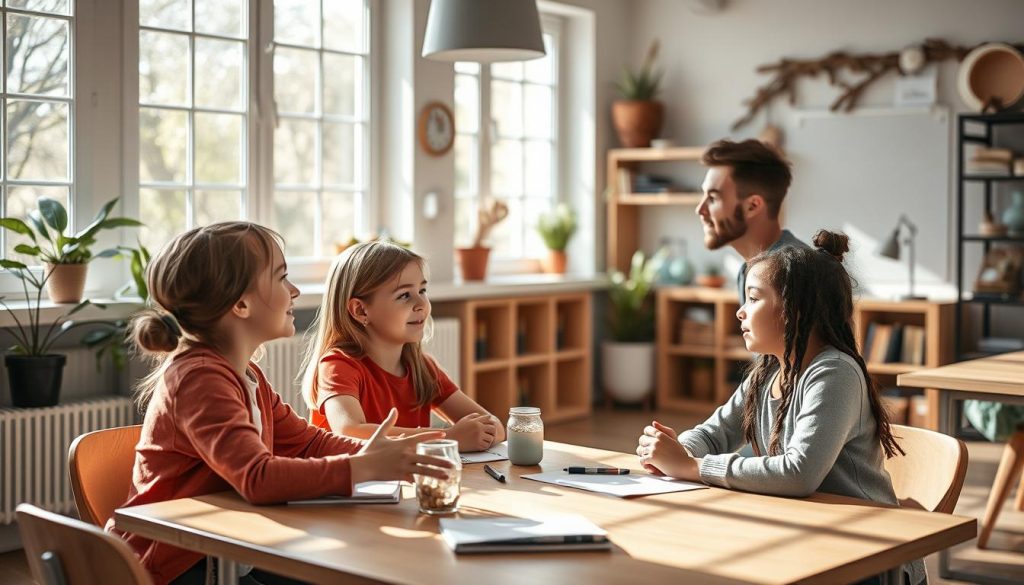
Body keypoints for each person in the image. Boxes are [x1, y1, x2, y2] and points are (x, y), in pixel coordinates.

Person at [109, 222, 453, 585]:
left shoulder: (245, 373)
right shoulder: (200, 378)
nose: (295, 290)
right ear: (240, 304)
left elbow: (307, 442)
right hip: (177, 566)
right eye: (282, 278)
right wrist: (365, 466)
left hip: (227, 551)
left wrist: (383, 453)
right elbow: (258, 478)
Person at [636, 230, 925, 584]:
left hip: (868, 556)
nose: (740, 312)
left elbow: (798, 474)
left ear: (794, 310)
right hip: (810, 534)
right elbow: (714, 433)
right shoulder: (770, 371)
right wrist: (673, 452)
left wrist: (692, 466)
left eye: (754, 299)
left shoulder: (834, 372)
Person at [301, 240, 505, 452]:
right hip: (345, 484)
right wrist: (447, 438)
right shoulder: (338, 365)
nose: (422, 304)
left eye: (423, 290)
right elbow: (350, 430)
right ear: (360, 311)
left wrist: (483, 431)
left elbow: (495, 426)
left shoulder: (421, 367)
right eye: (404, 295)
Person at [697, 138, 807, 303]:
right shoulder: (749, 271)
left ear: (753, 206)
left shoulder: (795, 274)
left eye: (713, 197)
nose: (700, 209)